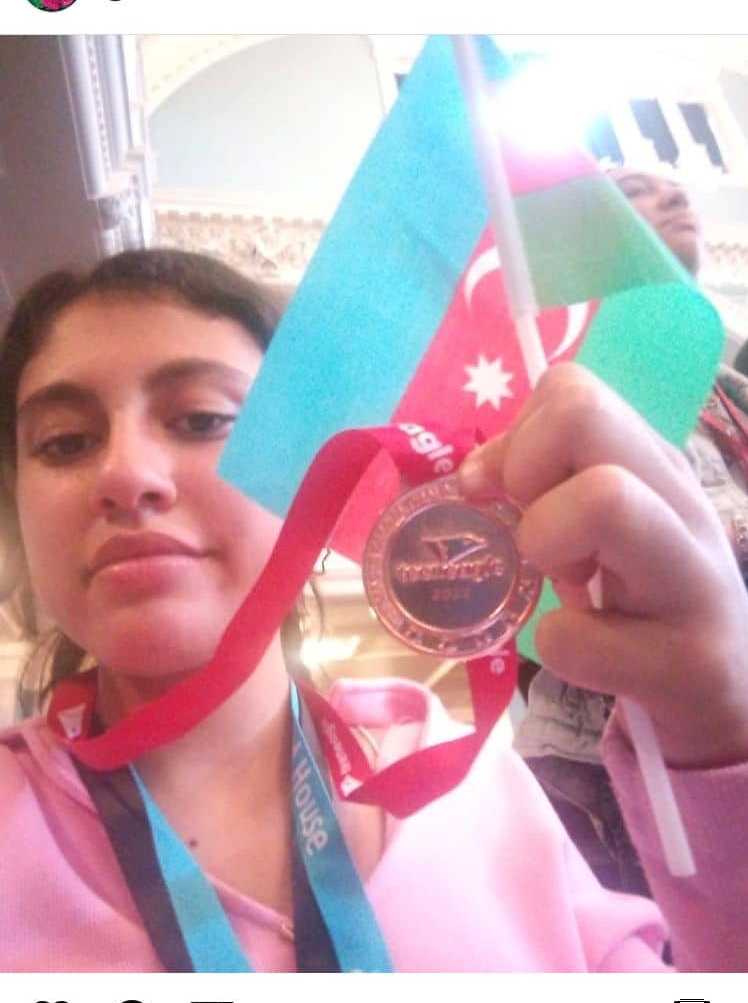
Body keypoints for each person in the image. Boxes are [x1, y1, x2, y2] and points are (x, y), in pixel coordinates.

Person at [1, 248, 748, 973]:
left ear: (309, 473)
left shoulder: (475, 788)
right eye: (64, 442)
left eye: (201, 419)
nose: (126, 473)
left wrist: (719, 728)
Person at [514, 164, 748, 900]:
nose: (674, 194)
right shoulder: (555, 380)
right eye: (635, 192)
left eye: (673, 187)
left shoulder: (733, 388)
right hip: (610, 763)